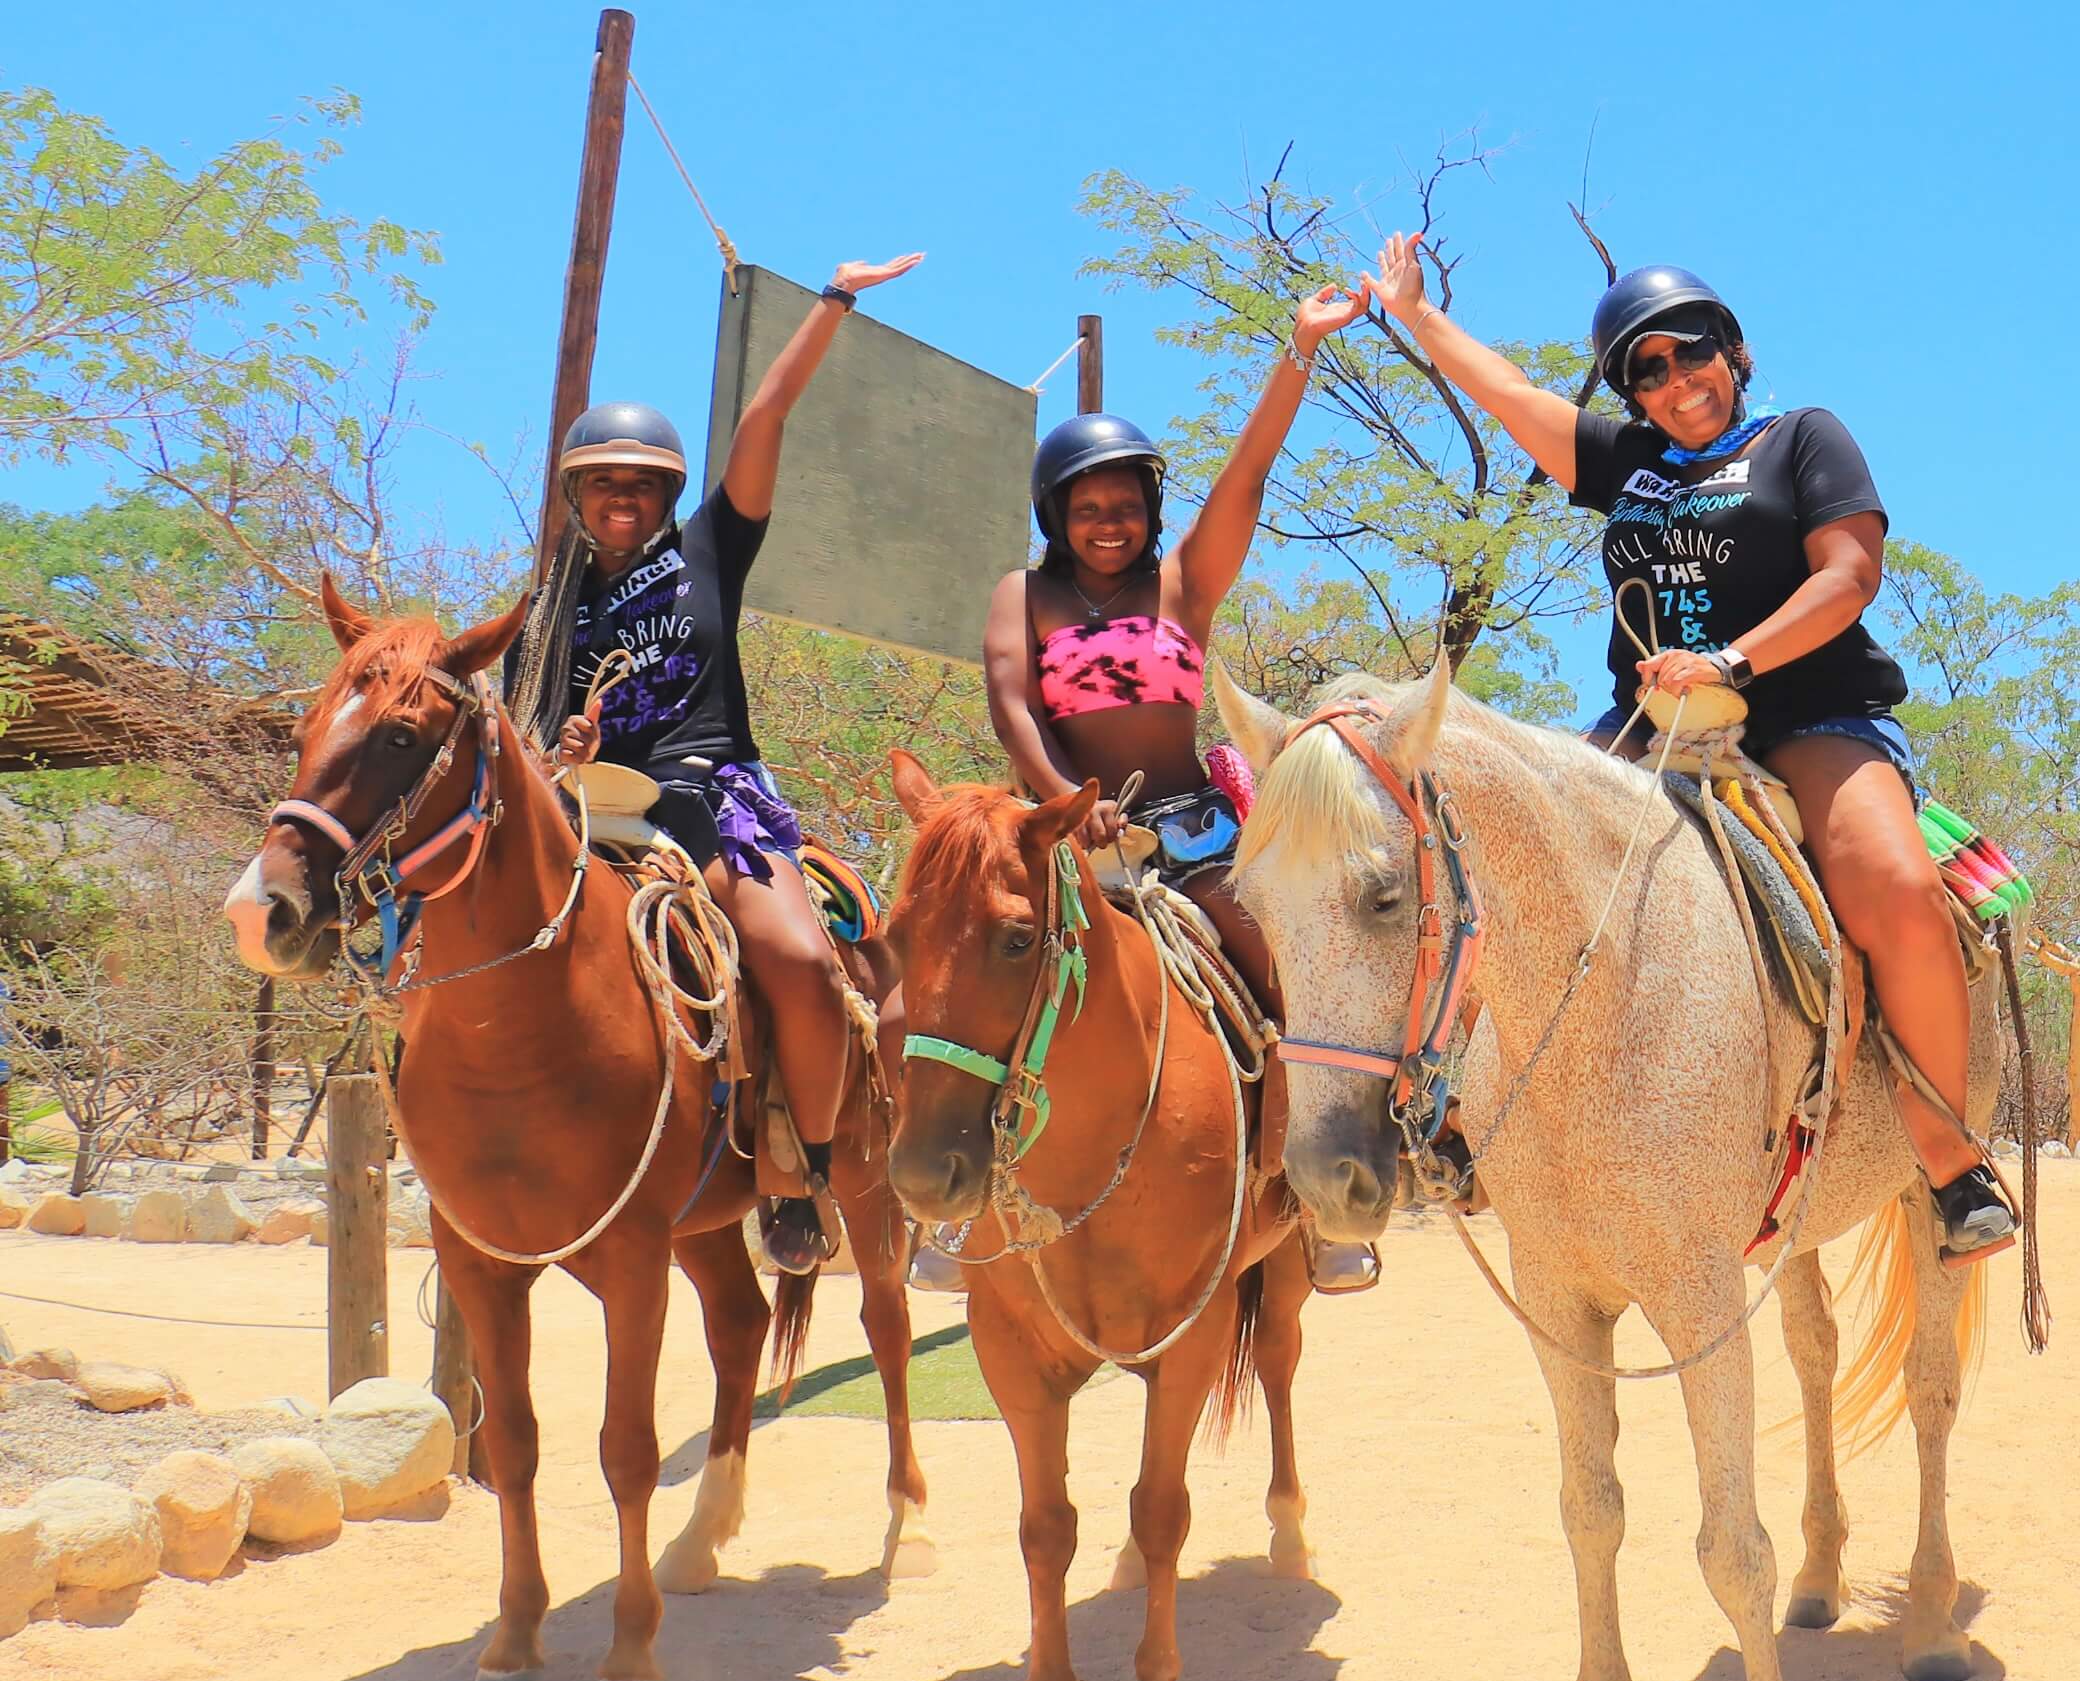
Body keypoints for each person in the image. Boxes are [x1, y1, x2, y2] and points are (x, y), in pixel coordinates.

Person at [1356, 235, 2014, 1263]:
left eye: (1690, 352)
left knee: (1893, 886)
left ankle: (1950, 1164)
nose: (1674, 381)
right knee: (1496, 869)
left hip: (1807, 713)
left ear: (1732, 350)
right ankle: (1461, 1123)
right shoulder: (1627, 463)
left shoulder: (1802, 438)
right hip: (1648, 726)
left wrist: (1732, 661)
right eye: (1646, 370)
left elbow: (1848, 575)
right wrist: (1415, 314)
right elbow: (1511, 395)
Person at [509, 252, 924, 1273]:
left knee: (799, 962)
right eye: (604, 482)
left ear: (668, 496)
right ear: (575, 495)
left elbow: (765, 418)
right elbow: (527, 746)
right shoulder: (543, 619)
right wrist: (561, 753)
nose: (623, 498)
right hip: (588, 817)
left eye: (642, 484)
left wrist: (833, 302)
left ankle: (799, 1170)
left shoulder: (707, 553)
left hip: (709, 801)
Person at [983, 283, 1387, 1288]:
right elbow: (1012, 706)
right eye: (1087, 508)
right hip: (1067, 835)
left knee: (1289, 973)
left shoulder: (1185, 584)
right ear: (1055, 514)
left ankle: (1320, 1204)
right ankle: (964, 1202)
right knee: (974, 978)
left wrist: (1299, 349)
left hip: (1193, 834)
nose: (1108, 523)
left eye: (1125, 506)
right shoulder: (1023, 596)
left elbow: (1247, 475)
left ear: (1151, 511)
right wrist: (1069, 800)